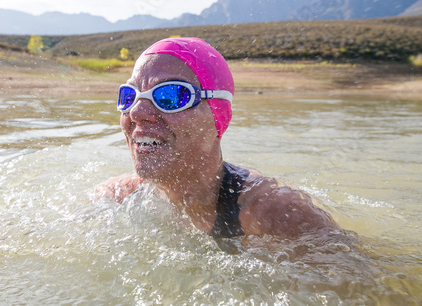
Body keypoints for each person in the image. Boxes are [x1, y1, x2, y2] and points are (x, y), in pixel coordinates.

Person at [96, 37, 339, 238]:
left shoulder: (275, 214)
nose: (136, 112)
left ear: (217, 115)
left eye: (170, 95)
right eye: (129, 96)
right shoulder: (117, 196)